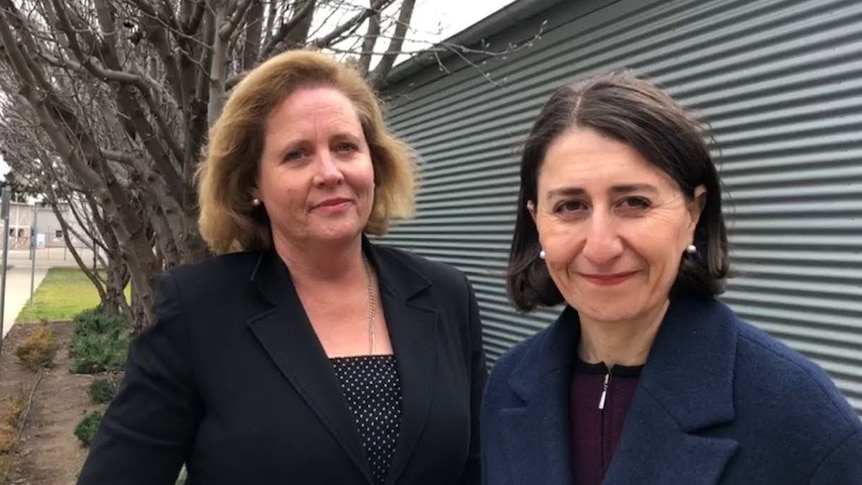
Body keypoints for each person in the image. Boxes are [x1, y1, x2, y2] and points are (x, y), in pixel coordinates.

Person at [77, 49, 487, 485]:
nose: (329, 172)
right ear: (253, 183)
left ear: (374, 164)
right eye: (297, 155)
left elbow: (479, 466)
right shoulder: (199, 311)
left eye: (345, 147)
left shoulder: (446, 295)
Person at [480, 72, 862, 485]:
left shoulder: (800, 416)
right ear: (538, 222)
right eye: (571, 206)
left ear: (693, 214)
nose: (601, 247)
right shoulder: (506, 388)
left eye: (634, 202)